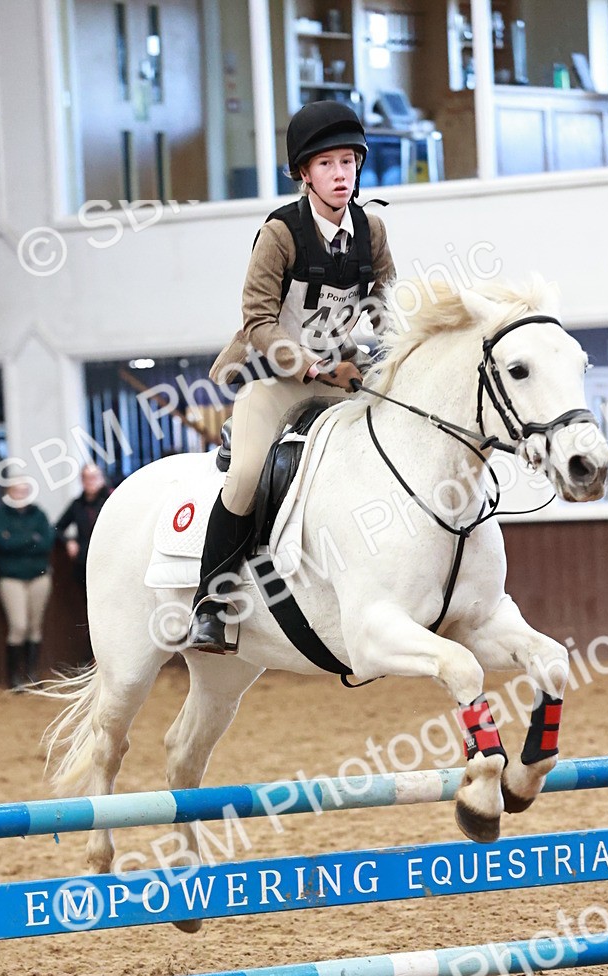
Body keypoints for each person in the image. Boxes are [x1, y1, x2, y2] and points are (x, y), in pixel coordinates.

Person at [189, 100, 397, 653]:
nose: (340, 174)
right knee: (248, 473)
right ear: (304, 173)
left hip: (341, 372)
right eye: (326, 164)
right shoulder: (280, 233)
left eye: (349, 162)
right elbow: (257, 319)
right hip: (274, 376)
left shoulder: (371, 230)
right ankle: (211, 603)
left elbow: (385, 301)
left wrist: (397, 349)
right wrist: (308, 364)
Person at [0, 481, 54, 690]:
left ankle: (31, 674)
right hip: (11, 578)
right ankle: (14, 678)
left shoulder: (39, 514)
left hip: (39, 577)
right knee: (18, 626)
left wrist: (17, 539)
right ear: (9, 493)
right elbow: (3, 543)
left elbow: (46, 542)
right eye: (16, 490)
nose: (21, 494)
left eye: (24, 491)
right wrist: (31, 538)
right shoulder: (0, 516)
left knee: (35, 627)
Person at [55, 464, 112, 595]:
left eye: (94, 477)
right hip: (85, 563)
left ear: (101, 478)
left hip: (108, 560)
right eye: (86, 478)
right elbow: (57, 527)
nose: (90, 481)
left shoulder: (110, 500)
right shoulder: (77, 504)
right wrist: (68, 541)